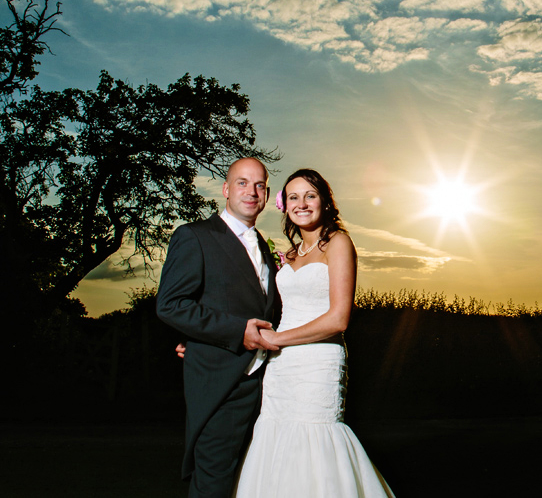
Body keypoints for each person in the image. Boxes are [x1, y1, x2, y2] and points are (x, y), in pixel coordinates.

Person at [233, 168, 394, 497]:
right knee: (276, 441)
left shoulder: (338, 243)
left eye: (310, 195)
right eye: (293, 196)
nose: (301, 203)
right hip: (281, 368)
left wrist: (277, 338)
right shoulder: (289, 255)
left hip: (318, 362)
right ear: (285, 205)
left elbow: (338, 319)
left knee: (315, 442)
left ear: (324, 202)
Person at [157, 157, 282, 498]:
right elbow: (170, 304)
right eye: (242, 182)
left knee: (256, 481)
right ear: (226, 190)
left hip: (268, 386)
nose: (251, 191)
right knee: (214, 483)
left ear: (267, 194)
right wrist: (231, 332)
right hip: (222, 383)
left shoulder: (266, 250)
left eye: (259, 185)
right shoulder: (195, 236)